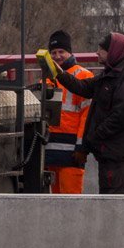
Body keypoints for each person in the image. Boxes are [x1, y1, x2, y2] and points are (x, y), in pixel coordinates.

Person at [54, 32, 124, 194]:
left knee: (113, 196)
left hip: (116, 152)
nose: (96, 53)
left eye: (101, 49)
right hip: (108, 151)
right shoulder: (109, 75)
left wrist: (93, 137)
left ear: (112, 52)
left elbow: (119, 117)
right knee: (109, 194)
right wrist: (60, 73)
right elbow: (83, 88)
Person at [43, 30, 92, 194]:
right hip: (51, 148)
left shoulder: (83, 75)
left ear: (70, 52)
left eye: (61, 52)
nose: (57, 56)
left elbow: (87, 115)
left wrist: (81, 146)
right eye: (53, 52)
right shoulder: (48, 78)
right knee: (56, 200)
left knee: (71, 200)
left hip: (72, 151)